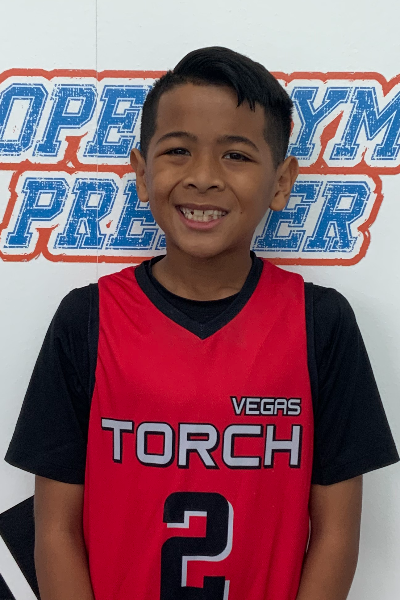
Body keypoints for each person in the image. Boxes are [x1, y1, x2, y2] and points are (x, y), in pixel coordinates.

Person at [5, 46, 399, 600]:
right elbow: (55, 530)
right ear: (141, 173)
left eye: (236, 155)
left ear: (282, 181)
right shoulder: (87, 318)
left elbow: (336, 534)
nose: (204, 177)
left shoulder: (321, 323)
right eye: (177, 151)